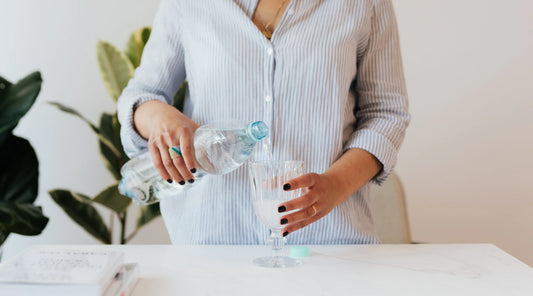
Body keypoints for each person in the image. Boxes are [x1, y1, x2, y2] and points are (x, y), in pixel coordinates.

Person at [117, 0, 410, 245]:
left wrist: (334, 186)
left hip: (329, 247)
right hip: (210, 246)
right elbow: (142, 96)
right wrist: (159, 116)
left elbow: (386, 113)